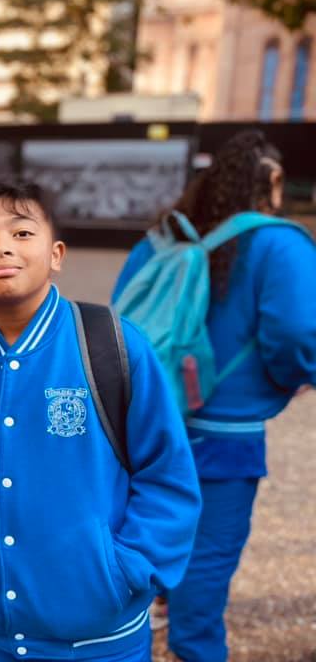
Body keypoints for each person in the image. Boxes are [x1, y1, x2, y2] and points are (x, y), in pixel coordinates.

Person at [0, 180, 201, 661]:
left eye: (21, 233)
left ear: (56, 253)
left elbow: (168, 474)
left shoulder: (109, 344)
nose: (1, 248)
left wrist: (128, 570)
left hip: (102, 639)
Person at [112, 130, 316, 662]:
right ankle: (195, 650)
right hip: (223, 434)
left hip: (141, 425)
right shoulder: (279, 242)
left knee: (145, 537)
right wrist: (293, 376)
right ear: (271, 180)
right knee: (206, 561)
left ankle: (130, 638)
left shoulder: (158, 240)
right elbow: (298, 333)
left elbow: (118, 322)